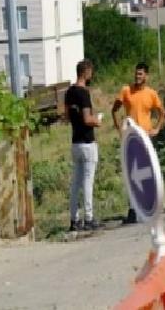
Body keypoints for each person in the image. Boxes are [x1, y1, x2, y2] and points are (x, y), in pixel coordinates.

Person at [111, 62, 165, 224]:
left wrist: (157, 129)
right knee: (132, 173)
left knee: (150, 171)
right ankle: (133, 209)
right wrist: (120, 130)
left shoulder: (151, 93)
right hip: (132, 139)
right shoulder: (126, 91)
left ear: (146, 76)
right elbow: (114, 110)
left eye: (141, 74)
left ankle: (153, 204)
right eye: (136, 74)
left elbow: (162, 112)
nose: (137, 76)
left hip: (146, 138)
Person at [64, 59, 102, 232]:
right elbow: (87, 119)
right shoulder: (83, 93)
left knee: (76, 183)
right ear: (85, 72)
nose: (91, 75)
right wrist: (98, 120)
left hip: (75, 142)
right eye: (90, 72)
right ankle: (89, 217)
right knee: (88, 182)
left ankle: (74, 219)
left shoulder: (69, 92)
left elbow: (66, 116)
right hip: (87, 142)